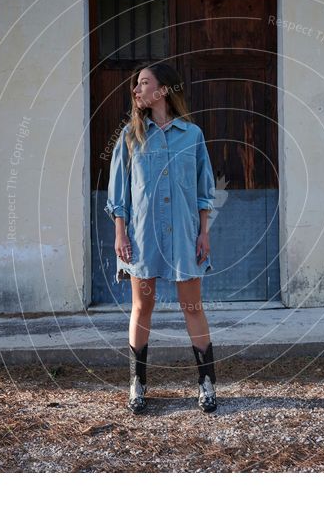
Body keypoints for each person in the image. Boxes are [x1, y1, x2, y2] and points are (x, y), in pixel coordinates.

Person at [104, 61, 218, 414]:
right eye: (136, 85)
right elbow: (118, 195)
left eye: (143, 83)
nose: (136, 90)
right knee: (143, 307)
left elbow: (204, 190)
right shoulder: (130, 136)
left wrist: (203, 233)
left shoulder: (192, 135)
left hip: (184, 236)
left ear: (163, 90)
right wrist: (120, 234)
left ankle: (207, 384)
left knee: (192, 308)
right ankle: (137, 385)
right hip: (142, 237)